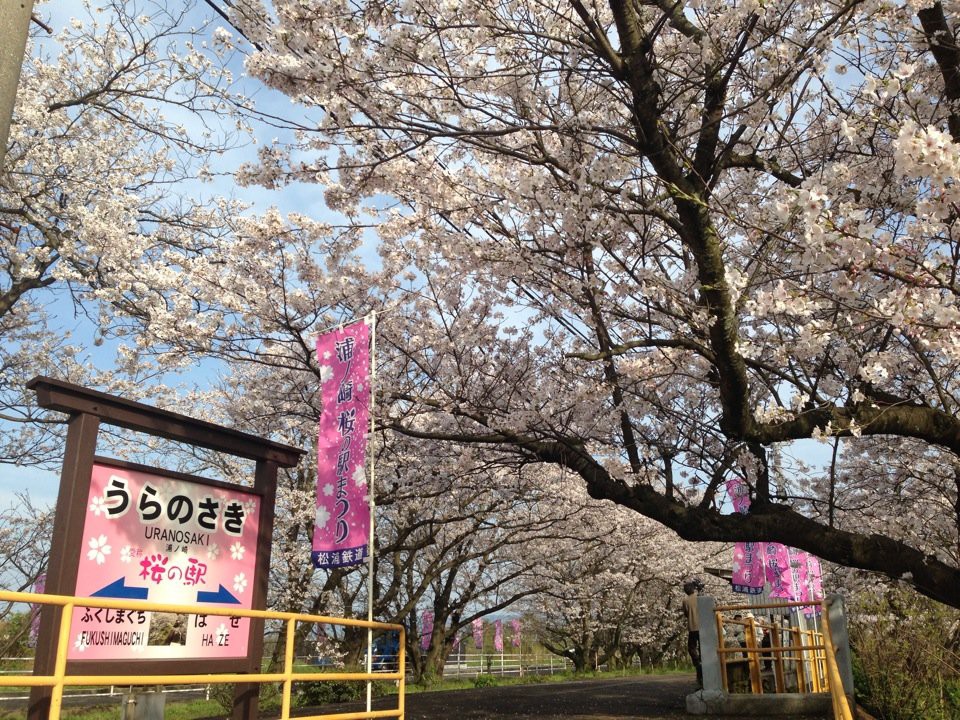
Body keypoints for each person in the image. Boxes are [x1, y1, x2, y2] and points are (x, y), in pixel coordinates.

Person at [681, 578, 704, 687]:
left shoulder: (685, 601)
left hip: (692, 627)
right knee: (702, 645)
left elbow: (686, 613)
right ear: (694, 589)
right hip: (702, 626)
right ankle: (702, 660)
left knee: (691, 647)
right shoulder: (700, 597)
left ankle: (697, 662)